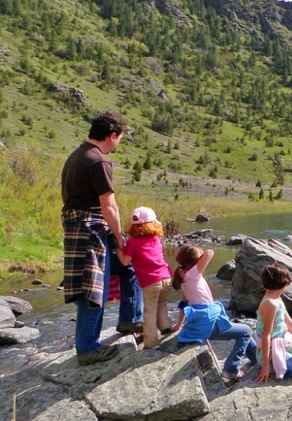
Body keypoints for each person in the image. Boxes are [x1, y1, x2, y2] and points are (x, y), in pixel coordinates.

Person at [61, 111, 128, 365]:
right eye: (119, 138)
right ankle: (88, 348)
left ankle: (124, 323)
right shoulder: (99, 161)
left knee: (90, 286)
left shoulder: (75, 156)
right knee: (93, 288)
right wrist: (120, 239)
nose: (118, 143)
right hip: (91, 229)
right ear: (112, 136)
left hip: (76, 227)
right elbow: (109, 207)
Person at [171, 244, 257, 385]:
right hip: (208, 324)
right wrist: (199, 257)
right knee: (246, 331)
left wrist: (178, 325)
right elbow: (210, 252)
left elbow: (183, 304)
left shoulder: (184, 277)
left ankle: (256, 359)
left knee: (241, 330)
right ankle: (230, 369)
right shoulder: (193, 273)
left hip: (203, 322)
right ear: (195, 262)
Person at [120, 206, 173, 348]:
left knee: (149, 311)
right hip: (167, 277)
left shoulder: (132, 242)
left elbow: (125, 262)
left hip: (151, 282)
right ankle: (166, 326)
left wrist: (119, 250)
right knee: (162, 302)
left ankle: (151, 343)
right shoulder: (155, 239)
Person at [255, 263, 292, 382]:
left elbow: (288, 321)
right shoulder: (270, 303)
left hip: (284, 343)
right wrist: (265, 365)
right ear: (284, 282)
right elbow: (267, 335)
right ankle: (269, 365)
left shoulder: (278, 298)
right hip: (270, 350)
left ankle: (283, 362)